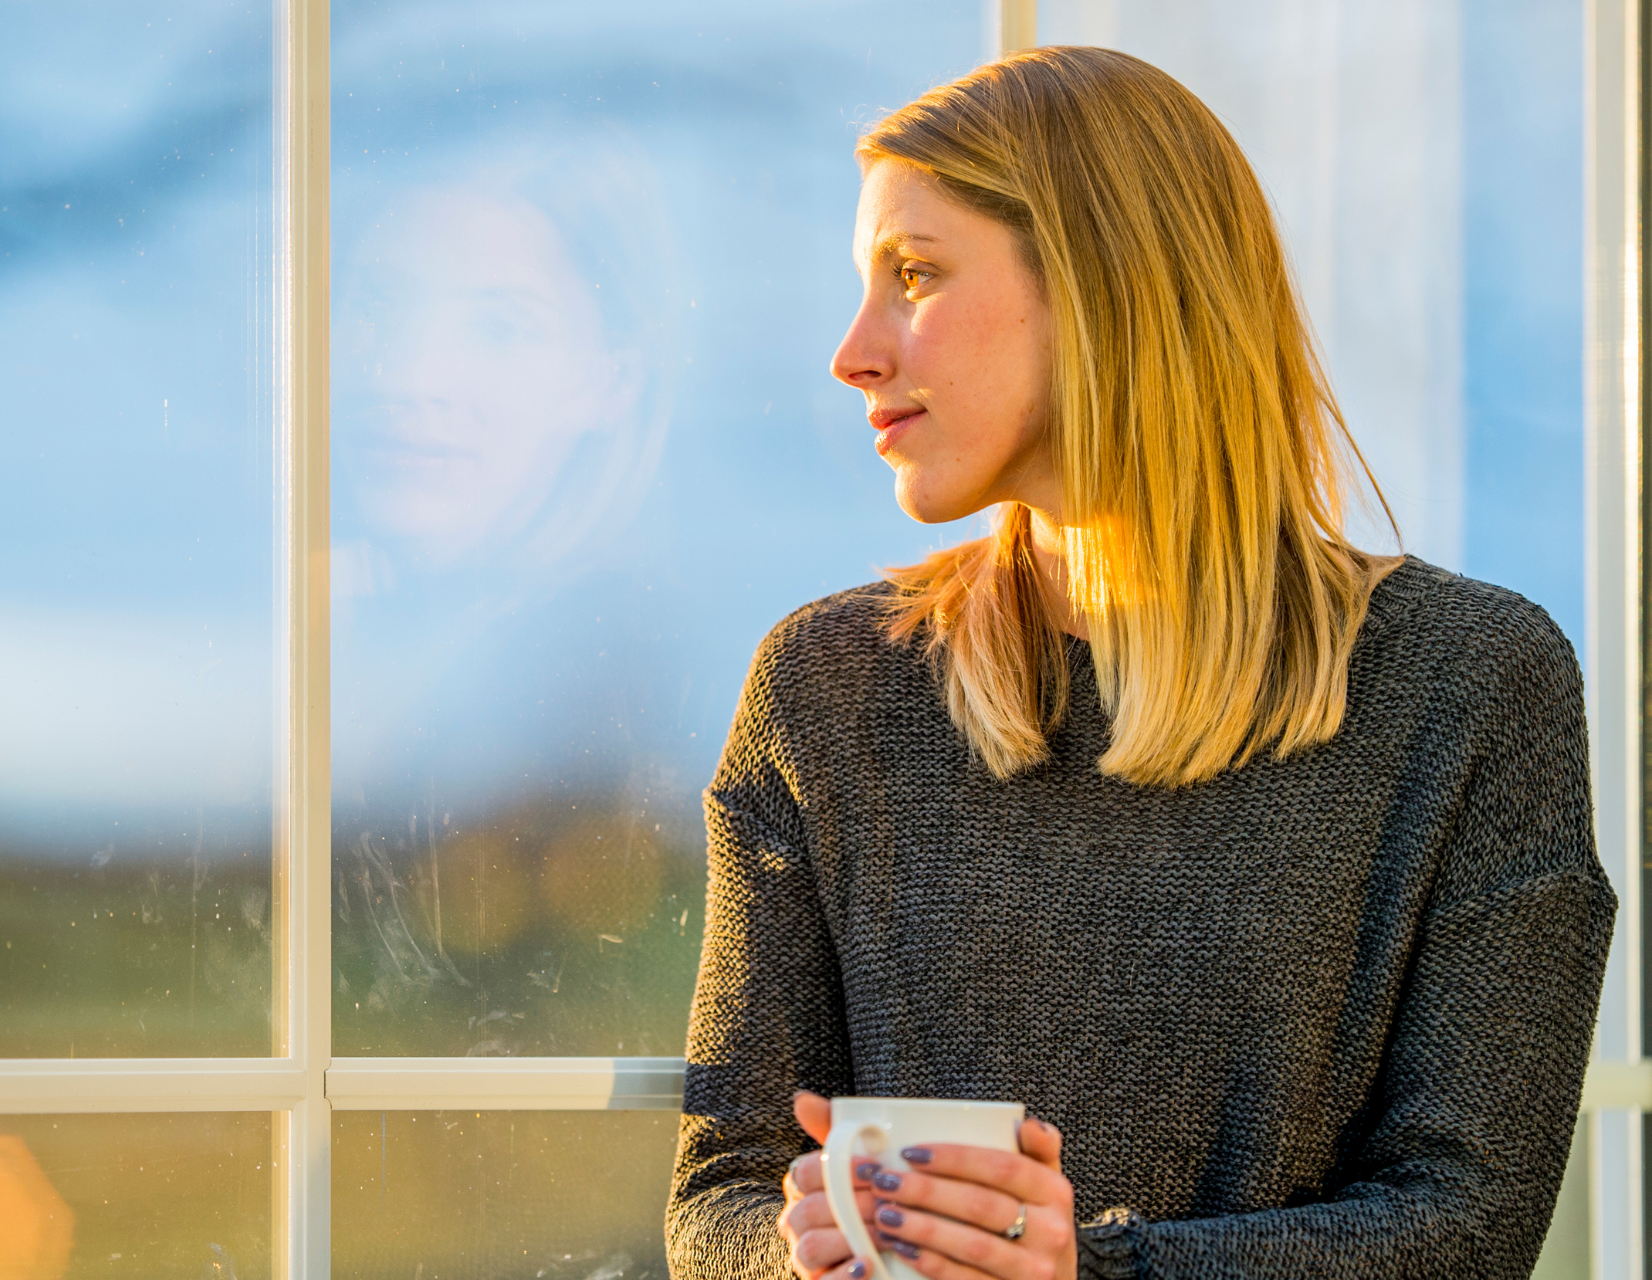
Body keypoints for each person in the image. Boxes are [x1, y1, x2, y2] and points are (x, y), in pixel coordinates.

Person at [665, 46, 1612, 1280]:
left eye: (915, 276)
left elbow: (1467, 1220)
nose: (854, 349)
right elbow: (718, 1193)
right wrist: (804, 1254)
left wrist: (1090, 1269)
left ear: (1106, 286)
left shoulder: (1472, 679)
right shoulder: (824, 685)